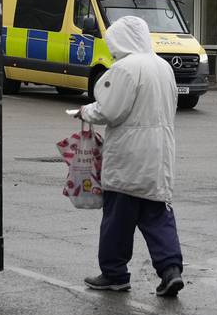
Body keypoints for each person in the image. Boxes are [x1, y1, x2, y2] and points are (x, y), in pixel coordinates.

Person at [76, 15, 184, 297]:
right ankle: (171, 270)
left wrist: (85, 111)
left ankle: (114, 274)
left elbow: (110, 110)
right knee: (157, 213)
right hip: (159, 151)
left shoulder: (125, 68)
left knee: (118, 218)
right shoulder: (163, 67)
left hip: (128, 153)